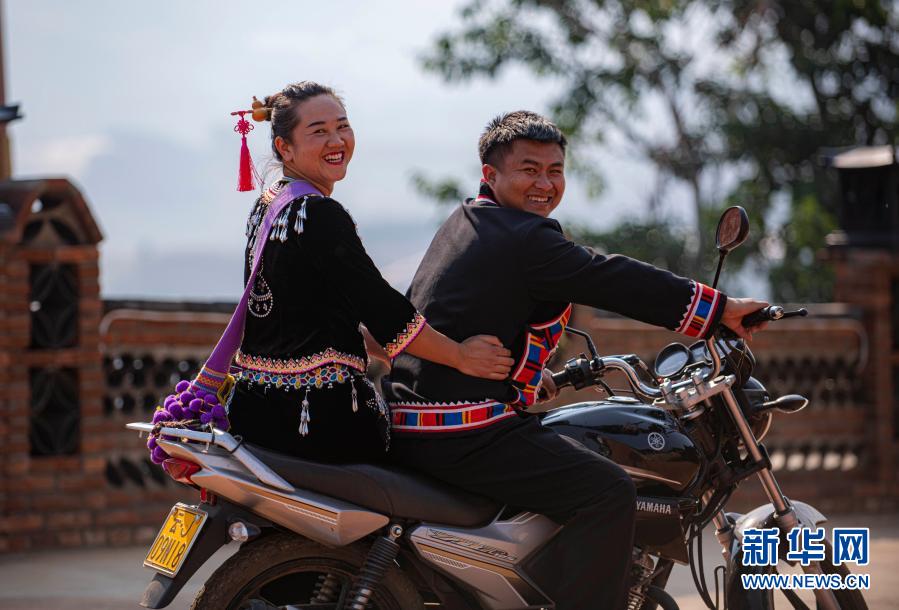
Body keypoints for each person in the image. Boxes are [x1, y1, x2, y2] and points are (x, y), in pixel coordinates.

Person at [383, 111, 769, 609]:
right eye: (529, 169)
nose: (544, 183)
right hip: (462, 433)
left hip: (415, 418)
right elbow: (608, 277)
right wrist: (718, 309)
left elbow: (454, 314)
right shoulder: (526, 237)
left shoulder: (466, 220)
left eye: (555, 170)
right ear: (490, 174)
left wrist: (526, 375)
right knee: (606, 490)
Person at [226, 82, 514, 463]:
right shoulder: (320, 214)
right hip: (320, 423)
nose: (337, 140)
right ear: (285, 147)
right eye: (318, 131)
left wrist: (414, 357)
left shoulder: (268, 205)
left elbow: (316, 319)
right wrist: (460, 357)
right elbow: (384, 311)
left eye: (342, 126)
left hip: (254, 411)